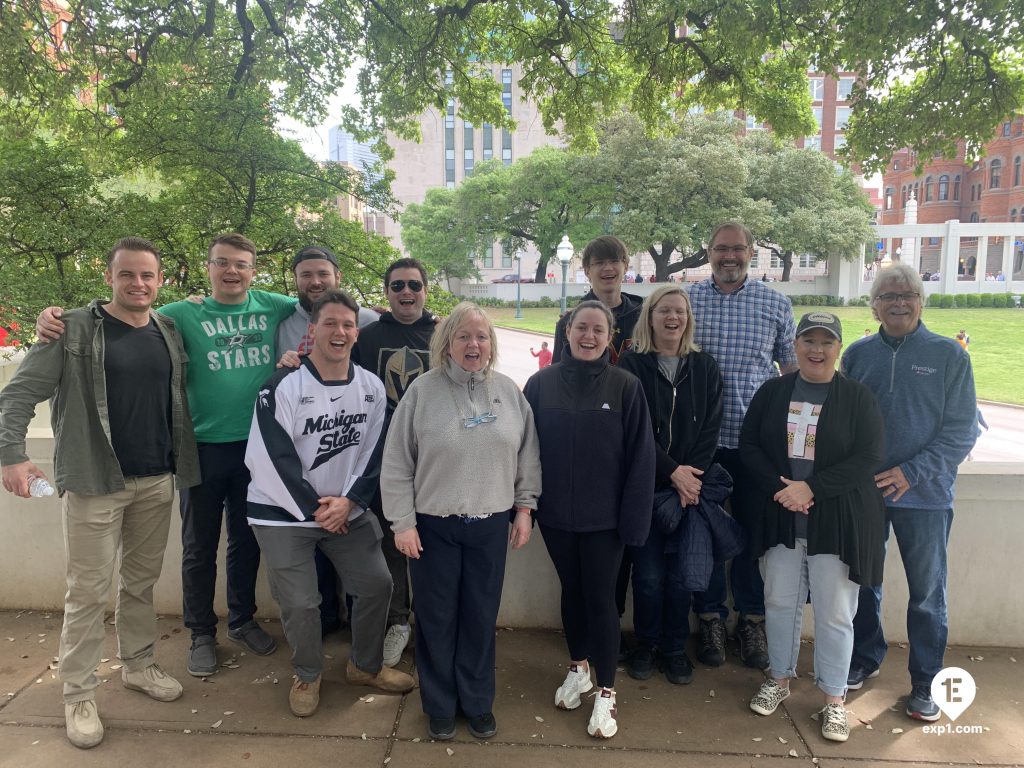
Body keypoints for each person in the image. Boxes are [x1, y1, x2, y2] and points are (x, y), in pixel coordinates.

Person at [36, 233, 299, 675]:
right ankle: (200, 632)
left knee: (245, 540)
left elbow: (323, 302)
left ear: (254, 271)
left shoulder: (273, 306)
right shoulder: (177, 315)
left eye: (241, 264)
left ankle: (241, 620)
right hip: (199, 448)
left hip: (257, 449)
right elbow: (123, 316)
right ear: (208, 268)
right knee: (198, 545)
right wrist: (52, 317)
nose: (231, 271)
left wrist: (382, 314)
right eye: (222, 263)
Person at [0, 237, 199, 749]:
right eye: (127, 275)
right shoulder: (72, 329)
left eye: (148, 276)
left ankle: (138, 665)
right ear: (109, 277)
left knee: (140, 582)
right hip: (95, 482)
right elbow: (19, 393)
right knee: (86, 592)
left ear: (161, 282)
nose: (138, 284)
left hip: (157, 480)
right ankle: (78, 693)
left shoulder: (168, 329)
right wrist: (12, 455)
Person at [245, 289, 414, 718]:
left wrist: (349, 501)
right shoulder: (282, 385)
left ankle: (365, 666)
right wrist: (317, 509)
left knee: (377, 585)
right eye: (330, 324)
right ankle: (307, 672)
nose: (339, 332)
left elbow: (376, 451)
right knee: (302, 604)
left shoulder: (371, 387)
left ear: (356, 332)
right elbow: (270, 455)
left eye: (347, 324)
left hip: (345, 511)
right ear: (313, 329)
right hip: (283, 514)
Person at [381, 302, 541, 742]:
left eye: (482, 337)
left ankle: (476, 703)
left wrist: (524, 509)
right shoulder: (421, 392)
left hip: (490, 524)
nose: (474, 344)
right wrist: (402, 522)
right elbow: (396, 463)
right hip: (433, 527)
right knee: (436, 619)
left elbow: (527, 455)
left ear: (492, 344)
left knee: (479, 617)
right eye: (464, 336)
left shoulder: (509, 392)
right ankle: (439, 705)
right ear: (446, 343)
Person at [740, 312, 887, 744]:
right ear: (795, 346)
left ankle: (834, 699)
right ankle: (780, 680)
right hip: (782, 517)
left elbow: (868, 456)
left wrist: (813, 489)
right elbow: (749, 445)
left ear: (838, 348)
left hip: (837, 523)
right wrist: (785, 491)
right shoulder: (773, 392)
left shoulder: (857, 398)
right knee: (780, 602)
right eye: (808, 341)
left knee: (836, 614)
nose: (816, 350)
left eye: (826, 342)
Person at [842, 263, 977, 722]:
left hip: (927, 496)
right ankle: (864, 659)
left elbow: (960, 433)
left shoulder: (949, 355)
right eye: (888, 295)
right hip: (867, 495)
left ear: (922, 302)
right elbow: (845, 424)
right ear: (874, 304)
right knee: (864, 584)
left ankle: (926, 682)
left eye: (907, 294)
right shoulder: (858, 356)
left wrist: (911, 472)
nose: (898, 302)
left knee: (927, 594)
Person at [525, 300, 655, 739]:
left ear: (610, 337)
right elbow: (524, 451)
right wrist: (523, 507)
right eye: (581, 327)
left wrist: (633, 523)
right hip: (557, 516)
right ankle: (578, 667)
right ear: (567, 332)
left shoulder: (625, 386)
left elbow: (641, 459)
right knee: (571, 592)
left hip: (606, 521)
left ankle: (606, 691)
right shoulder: (540, 385)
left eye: (598, 329)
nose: (589, 336)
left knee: (601, 600)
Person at [688, 222, 798, 670]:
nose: (728, 256)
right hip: (703, 445)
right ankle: (711, 617)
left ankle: (751, 621)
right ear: (708, 252)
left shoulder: (774, 302)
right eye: (720, 249)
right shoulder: (689, 302)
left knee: (754, 539)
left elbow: (791, 373)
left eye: (737, 249)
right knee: (709, 538)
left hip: (756, 447)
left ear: (751, 252)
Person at [617, 285, 723, 684]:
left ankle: (675, 648)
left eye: (679, 311)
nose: (672, 317)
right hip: (646, 486)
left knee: (681, 576)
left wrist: (689, 476)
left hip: (692, 490)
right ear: (650, 317)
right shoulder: (631, 366)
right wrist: (671, 471)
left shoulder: (705, 367)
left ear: (688, 318)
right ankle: (646, 645)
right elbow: (632, 430)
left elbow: (711, 429)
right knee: (647, 576)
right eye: (664, 311)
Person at [275, 245, 379, 638]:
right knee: (311, 551)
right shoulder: (280, 317)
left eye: (323, 274)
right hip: (303, 454)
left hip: (350, 447)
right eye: (306, 275)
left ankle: (359, 625)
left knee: (357, 548)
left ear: (337, 276)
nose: (315, 281)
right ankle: (322, 624)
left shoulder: (366, 318)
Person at [350, 257, 436, 667]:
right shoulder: (366, 338)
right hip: (383, 462)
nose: (407, 293)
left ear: (425, 290)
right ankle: (398, 622)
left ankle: (431, 625)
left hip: (436, 462)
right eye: (398, 285)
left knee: (433, 546)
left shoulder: (443, 335)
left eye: (414, 286)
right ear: (386, 292)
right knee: (392, 546)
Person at [551, 236, 642, 365]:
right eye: (599, 263)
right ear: (587, 270)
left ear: (626, 266)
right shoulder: (569, 323)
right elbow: (559, 375)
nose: (608, 268)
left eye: (614, 261)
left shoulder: (643, 318)